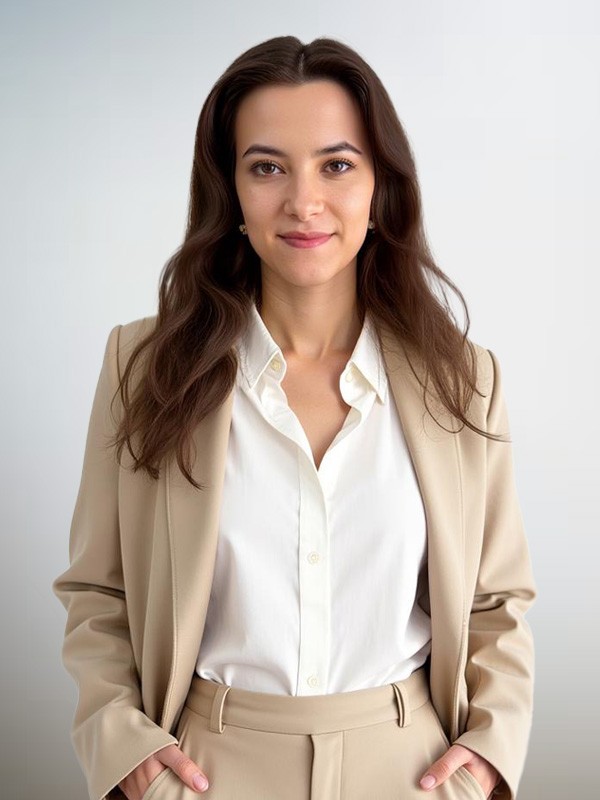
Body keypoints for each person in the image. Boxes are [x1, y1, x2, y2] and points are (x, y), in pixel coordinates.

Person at [53, 35, 536, 800]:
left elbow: (496, 601)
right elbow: (98, 592)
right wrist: (128, 756)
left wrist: (486, 759)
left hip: (410, 768)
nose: (303, 202)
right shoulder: (144, 368)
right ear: (232, 191)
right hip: (208, 768)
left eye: (337, 165)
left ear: (381, 186)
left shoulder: (464, 380)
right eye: (267, 166)